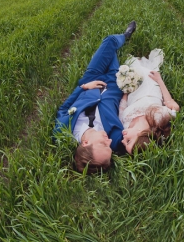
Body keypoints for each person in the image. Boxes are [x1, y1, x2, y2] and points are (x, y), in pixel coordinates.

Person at [54, 21, 136, 173]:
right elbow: (137, 138)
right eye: (109, 147)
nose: (109, 141)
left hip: (90, 80)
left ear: (85, 143)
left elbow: (64, 108)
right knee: (111, 49)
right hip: (114, 82)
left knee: (109, 41)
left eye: (104, 144)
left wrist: (83, 88)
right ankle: (122, 39)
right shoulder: (116, 140)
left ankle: (123, 37)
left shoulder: (63, 130)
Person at [119, 49, 180, 154]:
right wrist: (159, 80)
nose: (122, 140)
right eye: (128, 141)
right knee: (146, 72)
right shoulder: (158, 120)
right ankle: (141, 63)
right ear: (140, 136)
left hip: (134, 91)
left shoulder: (126, 125)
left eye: (124, 144)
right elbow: (169, 102)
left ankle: (136, 63)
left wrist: (125, 91)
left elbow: (122, 108)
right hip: (152, 87)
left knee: (132, 71)